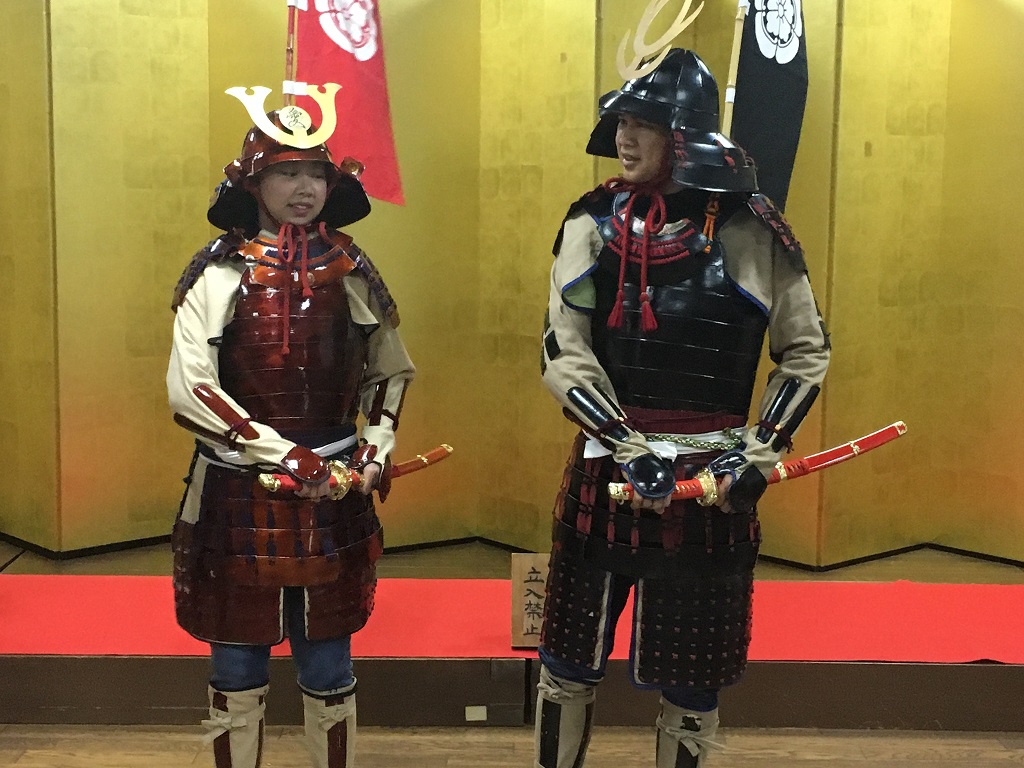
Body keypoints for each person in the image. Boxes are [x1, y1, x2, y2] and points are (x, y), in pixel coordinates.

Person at [536, 49, 830, 767]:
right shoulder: (592, 221)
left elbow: (805, 351)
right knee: (567, 661)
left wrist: (759, 452)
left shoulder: (753, 230)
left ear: (684, 135)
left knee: (693, 678)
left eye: (643, 123)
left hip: (711, 481)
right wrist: (625, 444)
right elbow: (562, 349)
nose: (624, 138)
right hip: (606, 472)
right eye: (621, 122)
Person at [167, 108, 415, 768]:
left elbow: (390, 371)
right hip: (236, 491)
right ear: (253, 184)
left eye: (316, 174)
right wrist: (285, 454)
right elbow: (191, 389)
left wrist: (375, 447)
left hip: (334, 492)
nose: (305, 188)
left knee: (329, 663)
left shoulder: (352, 269)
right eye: (287, 173)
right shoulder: (219, 272)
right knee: (237, 666)